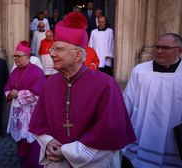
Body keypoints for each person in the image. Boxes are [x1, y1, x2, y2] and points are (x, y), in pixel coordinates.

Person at [29, 12, 136, 168]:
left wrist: (67, 151)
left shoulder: (106, 85)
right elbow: (40, 122)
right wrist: (48, 142)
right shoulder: (50, 83)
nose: (51, 53)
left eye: (58, 49)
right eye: (52, 49)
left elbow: (109, 133)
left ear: (78, 55)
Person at [123, 33, 182, 168]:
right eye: (157, 47)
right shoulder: (140, 70)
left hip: (172, 138)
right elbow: (127, 102)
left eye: (165, 48)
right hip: (141, 131)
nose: (159, 51)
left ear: (179, 51)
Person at [4, 41, 46, 168]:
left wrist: (19, 94)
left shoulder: (37, 72)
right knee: (20, 142)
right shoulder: (14, 71)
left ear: (27, 57)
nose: (15, 59)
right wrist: (9, 94)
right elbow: (7, 88)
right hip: (17, 113)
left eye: (18, 56)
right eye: (14, 56)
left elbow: (38, 94)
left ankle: (34, 164)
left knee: (32, 143)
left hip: (31, 114)